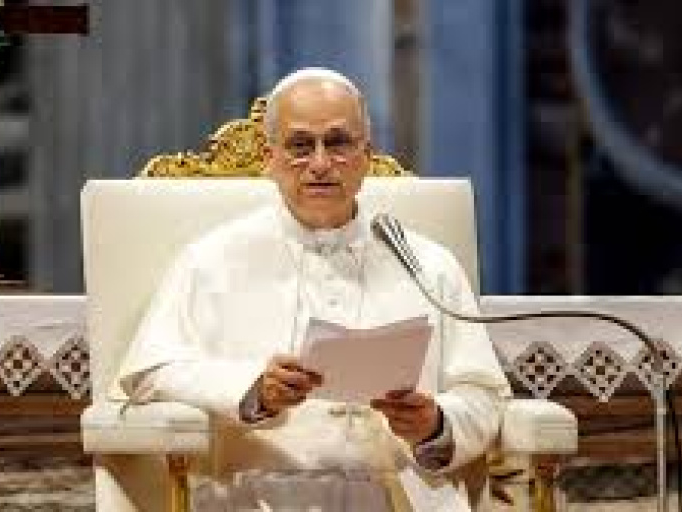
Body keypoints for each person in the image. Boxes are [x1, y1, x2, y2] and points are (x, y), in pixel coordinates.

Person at [114, 68, 511, 511]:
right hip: (256, 494)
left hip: (398, 495)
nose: (320, 164)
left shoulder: (428, 265)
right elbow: (151, 373)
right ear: (270, 157)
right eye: (300, 145)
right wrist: (252, 389)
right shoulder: (212, 260)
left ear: (366, 155)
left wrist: (434, 424)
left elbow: (483, 396)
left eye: (338, 143)